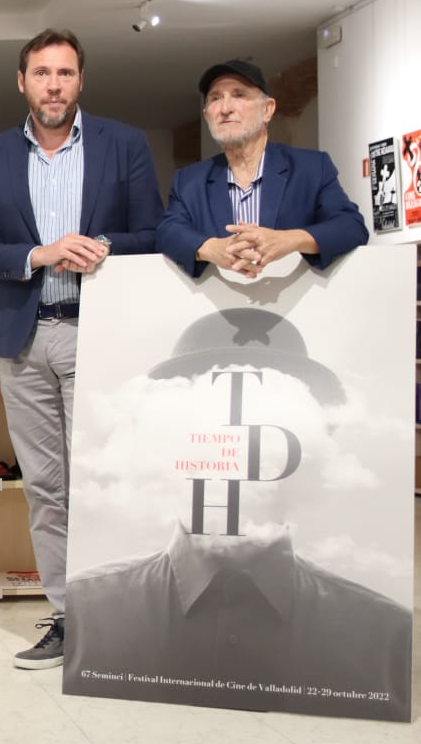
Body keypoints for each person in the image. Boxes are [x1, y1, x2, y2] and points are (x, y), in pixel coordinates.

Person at [65, 309, 410, 721]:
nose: (240, 438)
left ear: (313, 445)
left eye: (271, 416)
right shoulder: (86, 610)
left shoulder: (385, 634)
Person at [0, 29, 163, 670]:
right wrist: (39, 254)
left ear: (81, 81)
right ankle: (69, 618)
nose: (54, 85)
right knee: (45, 488)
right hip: (23, 341)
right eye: (42, 73)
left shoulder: (123, 145)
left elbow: (156, 233)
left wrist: (103, 246)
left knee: (100, 481)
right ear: (22, 82)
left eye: (65, 73)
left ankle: (116, 615)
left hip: (94, 331)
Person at [157, 60, 368, 278]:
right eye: (215, 98)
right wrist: (209, 248)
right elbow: (167, 233)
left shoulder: (311, 168)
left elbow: (351, 227)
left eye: (239, 95)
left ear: (267, 110)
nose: (225, 108)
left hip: (295, 297)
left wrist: (290, 240)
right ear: (207, 116)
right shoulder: (189, 181)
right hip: (216, 298)